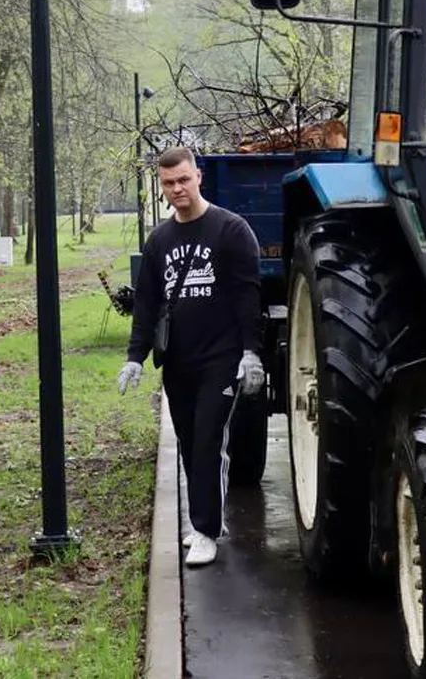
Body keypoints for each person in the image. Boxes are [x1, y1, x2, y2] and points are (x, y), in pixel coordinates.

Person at [116, 147, 264, 568]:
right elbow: (147, 304)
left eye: (183, 179)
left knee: (207, 444)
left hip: (222, 358)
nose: (177, 188)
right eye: (168, 183)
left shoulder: (230, 230)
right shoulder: (160, 240)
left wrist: (251, 354)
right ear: (161, 187)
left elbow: (246, 297)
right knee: (188, 442)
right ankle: (207, 518)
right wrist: (134, 357)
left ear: (198, 176)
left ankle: (205, 529)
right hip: (178, 361)